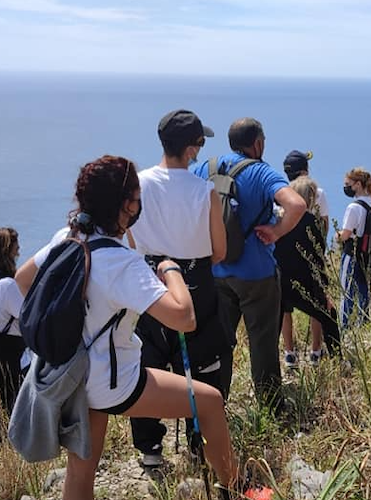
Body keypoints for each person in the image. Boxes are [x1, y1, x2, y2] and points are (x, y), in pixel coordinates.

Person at [13, 156, 237, 500]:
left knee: (81, 471)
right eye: (136, 198)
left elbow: (24, 278)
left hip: (71, 374)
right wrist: (171, 271)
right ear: (126, 206)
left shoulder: (68, 238)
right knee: (209, 401)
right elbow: (183, 317)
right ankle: (233, 488)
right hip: (111, 383)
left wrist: (73, 321)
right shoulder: (121, 263)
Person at [128, 109, 230, 467]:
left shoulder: (137, 185)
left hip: (148, 283)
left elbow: (128, 241)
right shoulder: (205, 192)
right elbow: (220, 252)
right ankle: (199, 442)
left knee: (146, 364)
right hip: (196, 283)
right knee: (204, 365)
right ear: (192, 148)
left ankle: (149, 448)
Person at [194, 118, 306, 410]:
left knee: (220, 343)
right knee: (263, 341)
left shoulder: (205, 168)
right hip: (257, 273)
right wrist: (278, 231)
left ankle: (216, 402)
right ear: (257, 143)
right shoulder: (260, 171)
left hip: (215, 269)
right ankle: (270, 405)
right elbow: (296, 204)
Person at [274, 177, 341, 368]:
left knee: (272, 328)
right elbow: (317, 260)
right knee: (328, 316)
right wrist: (324, 290)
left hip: (279, 283)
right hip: (305, 283)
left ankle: (273, 366)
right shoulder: (313, 223)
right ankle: (337, 359)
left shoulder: (278, 219)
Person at [282, 149, 330, 365]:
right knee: (317, 302)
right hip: (311, 254)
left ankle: (289, 352)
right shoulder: (317, 192)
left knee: (285, 306)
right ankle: (316, 351)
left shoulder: (281, 193)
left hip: (287, 256)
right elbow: (325, 223)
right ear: (305, 170)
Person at [338, 168, 371, 329]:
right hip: (366, 254)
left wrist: (337, 236)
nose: (346, 188)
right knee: (363, 291)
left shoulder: (354, 207)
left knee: (346, 292)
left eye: (348, 184)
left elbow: (346, 234)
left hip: (351, 252)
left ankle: (343, 328)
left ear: (358, 184)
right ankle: (363, 324)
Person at [0, 227, 26, 415]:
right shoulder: (8, 286)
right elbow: (28, 316)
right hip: (11, 353)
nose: (19, 250)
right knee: (13, 404)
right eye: (16, 245)